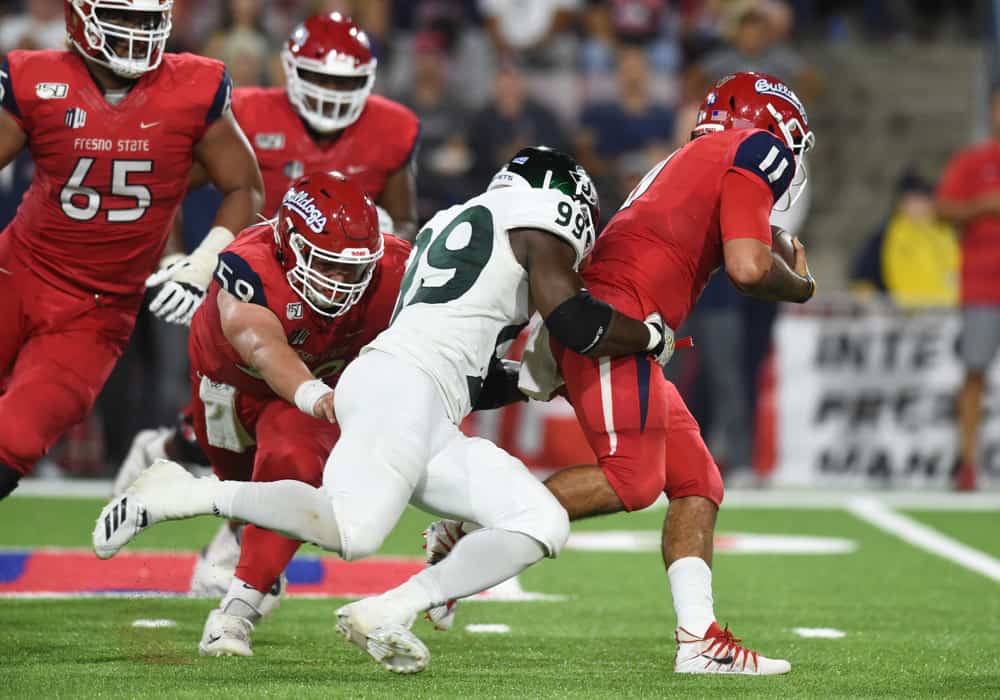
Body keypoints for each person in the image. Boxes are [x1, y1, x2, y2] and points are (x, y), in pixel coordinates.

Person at [93, 147, 678, 674]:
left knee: (540, 521)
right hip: (399, 386)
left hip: (428, 402)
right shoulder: (539, 221)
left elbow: (466, 368)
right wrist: (652, 336)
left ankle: (388, 609)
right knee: (354, 530)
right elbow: (577, 322)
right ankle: (187, 493)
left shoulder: (455, 223)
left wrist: (533, 384)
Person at [419, 71, 816, 675]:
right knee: (632, 480)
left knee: (697, 483)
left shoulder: (693, 158)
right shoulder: (753, 149)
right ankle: (468, 541)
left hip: (616, 308)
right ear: (772, 126)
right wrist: (802, 285)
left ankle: (698, 640)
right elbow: (747, 266)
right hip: (620, 317)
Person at [113, 11, 421, 601]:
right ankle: (182, 460)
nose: (331, 94)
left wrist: (380, 234)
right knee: (232, 414)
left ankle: (225, 531)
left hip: (340, 293)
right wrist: (180, 258)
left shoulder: (395, 128)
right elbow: (175, 180)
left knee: (293, 434)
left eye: (343, 83)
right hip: (254, 280)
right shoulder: (249, 111)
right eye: (319, 80)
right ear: (290, 70)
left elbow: (405, 215)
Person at [0, 0, 263, 500]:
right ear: (80, 16)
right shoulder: (36, 78)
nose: (138, 31)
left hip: (96, 311)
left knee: (15, 439)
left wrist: (201, 263)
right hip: (16, 274)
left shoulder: (194, 86)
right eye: (122, 17)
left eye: (146, 19)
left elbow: (245, 188)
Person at [182, 171, 409, 656]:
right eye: (328, 265)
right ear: (289, 245)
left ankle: (236, 611)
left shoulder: (395, 269)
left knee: (292, 461)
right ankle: (253, 553)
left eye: (356, 269)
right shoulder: (249, 265)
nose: (345, 281)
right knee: (244, 496)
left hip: (314, 393)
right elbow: (264, 350)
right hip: (232, 387)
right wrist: (315, 395)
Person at [936, 84, 1000, 491]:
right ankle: (968, 464)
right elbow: (941, 209)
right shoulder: (973, 161)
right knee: (974, 372)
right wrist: (985, 206)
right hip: (982, 285)